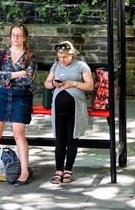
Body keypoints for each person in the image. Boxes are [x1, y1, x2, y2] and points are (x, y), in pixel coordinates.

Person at [0, 23, 37, 186]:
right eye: (13, 34)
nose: (16, 37)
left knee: (19, 134)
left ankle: (24, 172)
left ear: (25, 37)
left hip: (21, 97)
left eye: (19, 34)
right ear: (10, 36)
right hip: (0, 96)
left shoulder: (30, 57)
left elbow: (29, 80)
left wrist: (7, 77)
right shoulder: (1, 55)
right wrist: (18, 73)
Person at [44, 41, 94, 184]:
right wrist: (54, 83)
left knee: (72, 139)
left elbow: (90, 86)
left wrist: (73, 83)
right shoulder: (56, 66)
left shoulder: (81, 66)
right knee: (59, 140)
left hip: (75, 108)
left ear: (71, 54)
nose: (62, 60)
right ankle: (58, 170)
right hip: (58, 109)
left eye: (65, 57)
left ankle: (68, 170)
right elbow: (46, 83)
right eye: (60, 57)